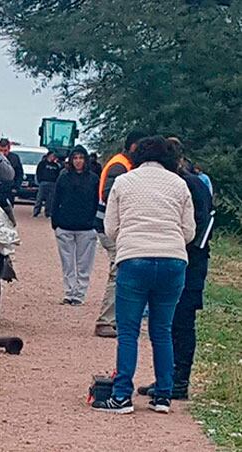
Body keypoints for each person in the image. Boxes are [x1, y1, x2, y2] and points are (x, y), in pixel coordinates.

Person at [92, 136, 195, 415]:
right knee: (162, 331)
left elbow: (111, 227)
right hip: (173, 260)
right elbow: (189, 231)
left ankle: (122, 396)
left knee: (128, 332)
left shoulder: (125, 182)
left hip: (134, 258)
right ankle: (163, 396)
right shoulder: (179, 184)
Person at [137, 144, 214, 401]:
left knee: (181, 321)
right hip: (172, 259)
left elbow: (204, 227)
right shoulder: (171, 184)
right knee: (165, 324)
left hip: (190, 263)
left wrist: (183, 250)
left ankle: (179, 380)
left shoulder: (192, 185)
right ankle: (166, 379)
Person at [93, 130, 146, 338]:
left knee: (122, 270)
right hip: (111, 226)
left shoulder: (123, 164)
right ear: (133, 146)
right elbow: (109, 195)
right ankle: (106, 321)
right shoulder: (120, 166)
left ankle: (116, 319)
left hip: (112, 224)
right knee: (119, 270)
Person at [50, 146, 99, 306]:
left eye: (81, 158)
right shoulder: (63, 178)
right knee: (68, 262)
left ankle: (80, 293)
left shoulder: (93, 179)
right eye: (75, 158)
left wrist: (95, 223)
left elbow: (96, 202)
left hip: (86, 227)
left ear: (85, 160)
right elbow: (56, 200)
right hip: (65, 225)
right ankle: (69, 291)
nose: (78, 161)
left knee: (84, 263)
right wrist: (55, 222)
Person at [0, 138, 23, 225]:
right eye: (1, 150)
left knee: (8, 210)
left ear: (9, 148)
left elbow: (19, 173)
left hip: (9, 189)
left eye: (5, 150)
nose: (3, 153)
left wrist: (16, 187)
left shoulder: (14, 158)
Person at [33, 151, 61, 217]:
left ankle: (48, 213)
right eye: (52, 156)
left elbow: (57, 174)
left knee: (50, 199)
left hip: (52, 183)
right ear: (48, 156)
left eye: (54, 156)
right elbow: (38, 172)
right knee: (39, 198)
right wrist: (40, 180)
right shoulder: (42, 164)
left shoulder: (56, 166)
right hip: (43, 182)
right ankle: (36, 212)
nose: (53, 158)